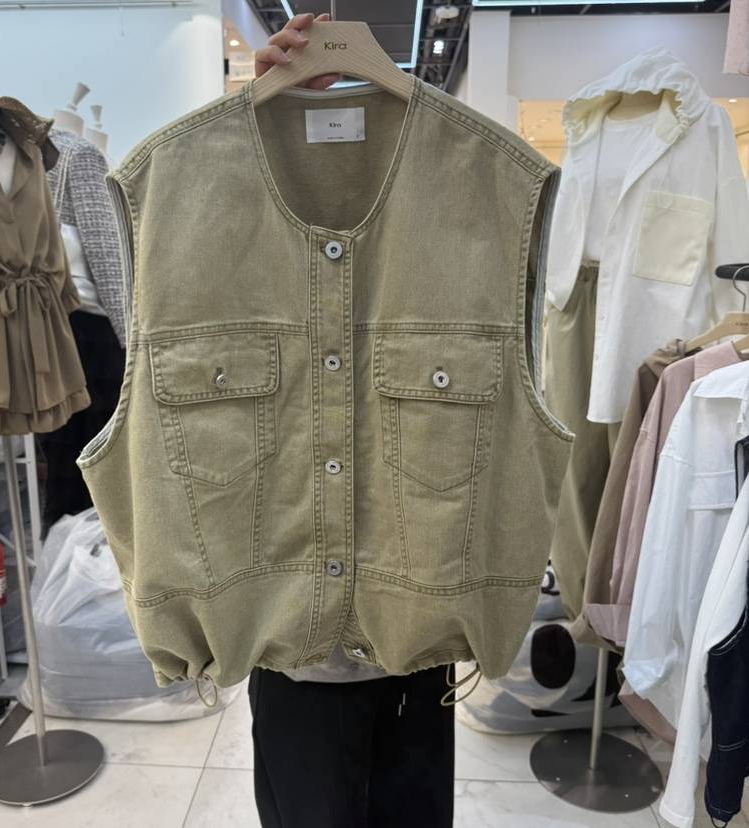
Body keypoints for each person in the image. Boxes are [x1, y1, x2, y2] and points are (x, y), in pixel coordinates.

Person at [247, 14, 456, 828]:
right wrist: (253, 123)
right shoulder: (207, 198)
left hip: (420, 636)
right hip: (283, 641)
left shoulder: (467, 190)